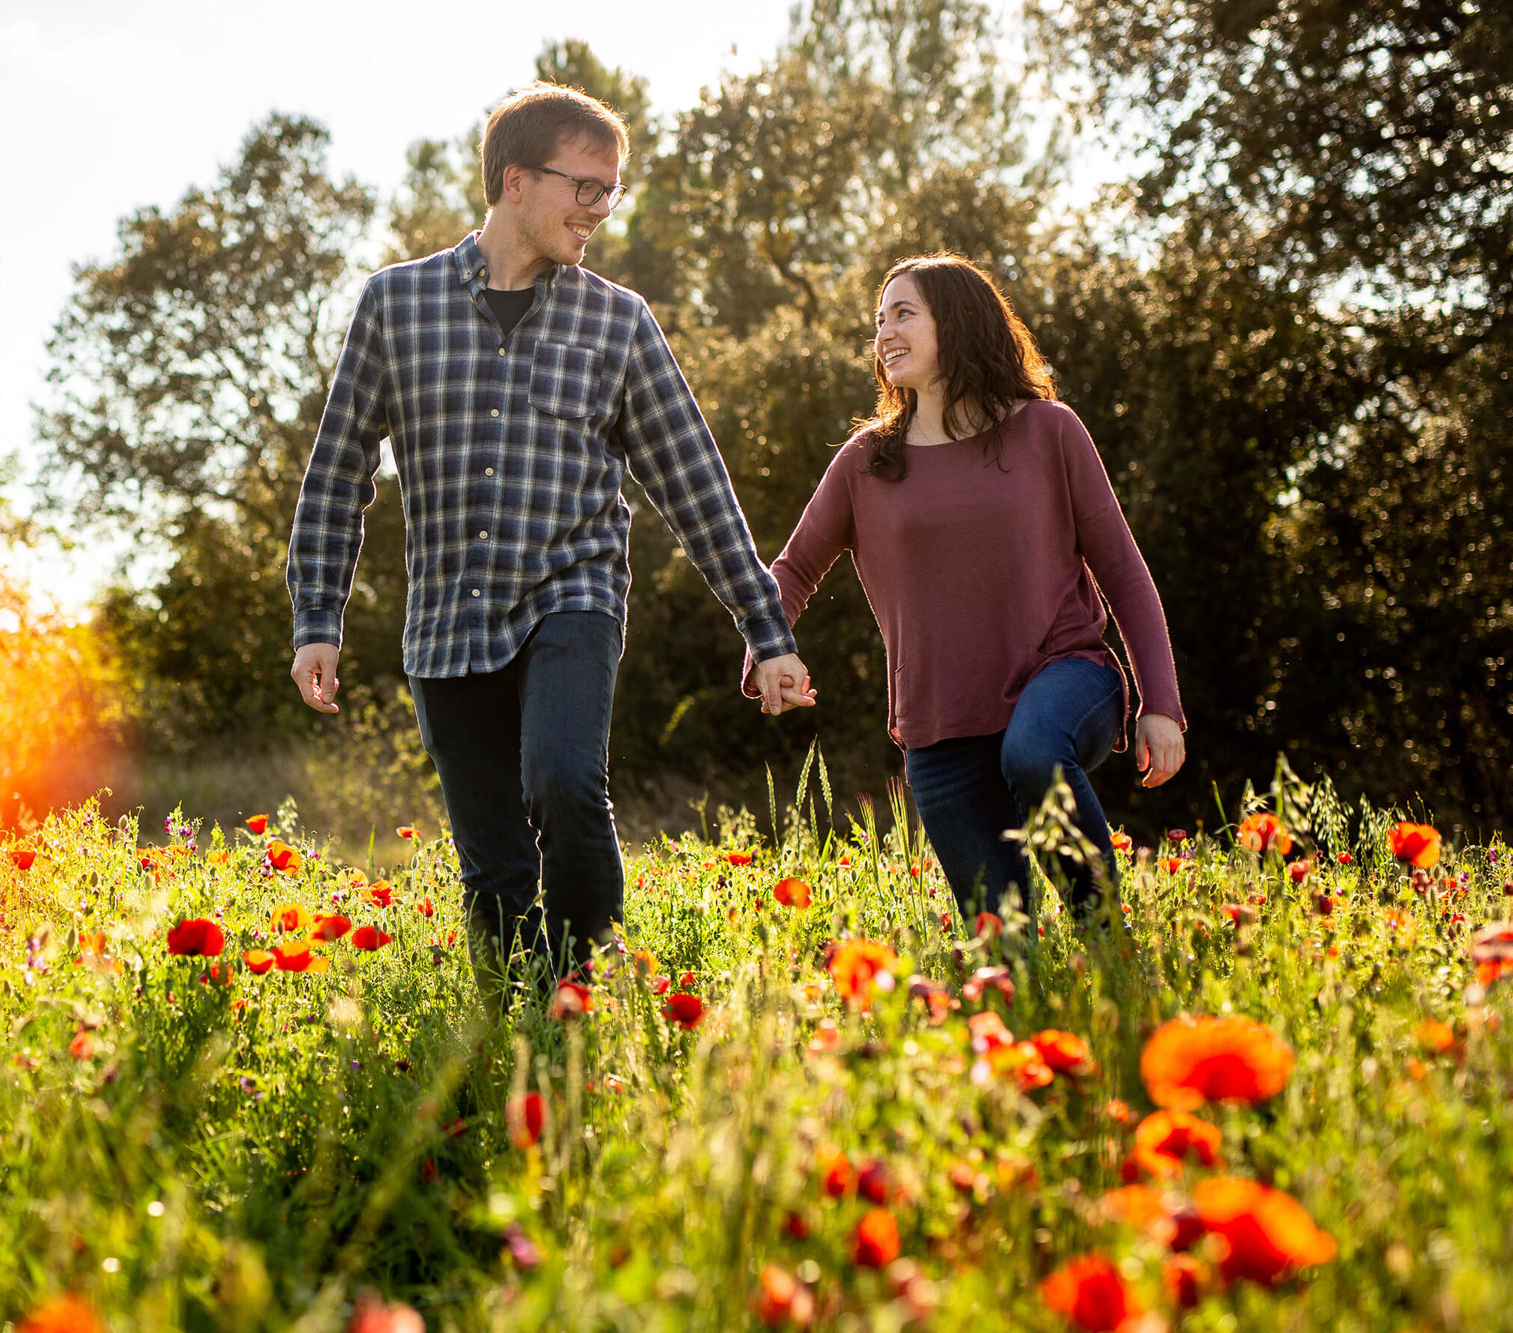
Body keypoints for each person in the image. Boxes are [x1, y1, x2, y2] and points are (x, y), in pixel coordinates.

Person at [286, 83, 814, 997]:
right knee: (492, 869)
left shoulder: (619, 322)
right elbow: (338, 471)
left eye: (611, 192)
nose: (599, 210)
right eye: (586, 187)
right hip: (448, 621)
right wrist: (317, 615)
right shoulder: (395, 305)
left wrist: (765, 630)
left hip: (573, 596)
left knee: (566, 782)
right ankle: (516, 1032)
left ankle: (585, 986)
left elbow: (695, 483)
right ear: (515, 180)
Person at [749, 253, 1185, 917]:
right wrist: (768, 647)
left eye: (904, 313)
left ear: (955, 321)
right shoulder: (866, 462)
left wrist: (1161, 703)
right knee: (1002, 943)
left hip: (1066, 676)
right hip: (940, 726)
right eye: (878, 319)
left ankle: (1104, 928)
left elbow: (1123, 573)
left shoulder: (1049, 430)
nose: (885, 332)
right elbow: (793, 569)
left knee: (1033, 753)